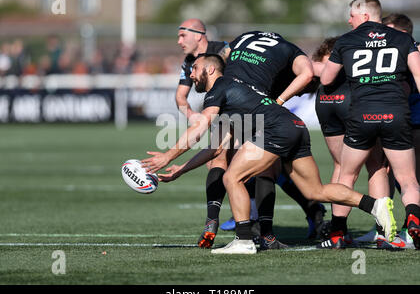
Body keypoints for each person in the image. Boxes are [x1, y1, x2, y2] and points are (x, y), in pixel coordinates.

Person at [143, 51, 396, 254]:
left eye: (195, 69)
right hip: (295, 126)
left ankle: (243, 240)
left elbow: (199, 127)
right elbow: (216, 147)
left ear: (210, 69)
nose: (191, 73)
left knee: (232, 177)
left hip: (276, 130)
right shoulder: (233, 91)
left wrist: (168, 156)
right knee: (314, 191)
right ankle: (376, 205)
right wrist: (181, 170)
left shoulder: (218, 88)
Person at [320, 0, 420, 250]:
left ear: (364, 16)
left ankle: (337, 233)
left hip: (362, 115)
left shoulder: (346, 40)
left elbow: (327, 78)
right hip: (395, 114)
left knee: (347, 175)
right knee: (407, 178)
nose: (348, 20)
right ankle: (412, 222)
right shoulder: (403, 38)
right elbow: (418, 75)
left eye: (351, 16)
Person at [312, 37, 393, 249]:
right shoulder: (355, 49)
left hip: (326, 100)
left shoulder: (323, 59)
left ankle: (338, 232)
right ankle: (384, 233)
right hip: (353, 99)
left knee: (341, 166)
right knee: (376, 166)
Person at [355, 13, 420, 248]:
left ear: (403, 34)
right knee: (384, 173)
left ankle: (410, 229)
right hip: (392, 120)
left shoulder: (412, 51)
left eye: (390, 32)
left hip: (413, 120)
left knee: (411, 178)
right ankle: (384, 227)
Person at [175, 19, 232, 248]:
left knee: (268, 167)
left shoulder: (224, 50)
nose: (179, 42)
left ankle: (312, 211)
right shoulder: (189, 62)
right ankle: (217, 221)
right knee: (218, 161)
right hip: (221, 114)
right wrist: (192, 116)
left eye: (182, 36)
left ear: (198, 35)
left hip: (244, 111)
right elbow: (180, 97)